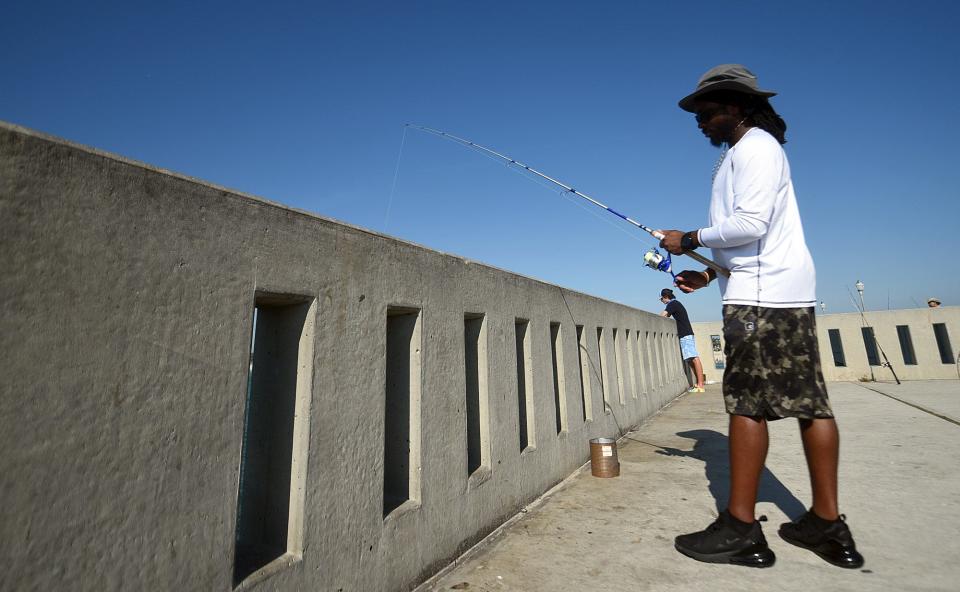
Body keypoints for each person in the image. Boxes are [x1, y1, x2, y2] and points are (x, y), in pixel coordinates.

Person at [656, 64, 864, 569]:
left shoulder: (755, 149)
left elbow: (750, 223)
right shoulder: (749, 152)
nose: (700, 122)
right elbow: (754, 237)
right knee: (810, 404)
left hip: (761, 299)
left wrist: (688, 239)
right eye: (697, 115)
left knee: (747, 404)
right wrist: (709, 275)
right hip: (776, 289)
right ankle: (826, 524)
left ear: (738, 107)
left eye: (707, 112)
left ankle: (741, 528)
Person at [659, 288, 705, 392]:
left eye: (661, 299)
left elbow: (664, 315)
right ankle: (698, 384)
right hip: (686, 333)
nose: (662, 301)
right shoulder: (676, 304)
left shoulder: (672, 304)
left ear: (665, 297)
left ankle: (701, 385)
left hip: (685, 334)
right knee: (690, 359)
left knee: (694, 358)